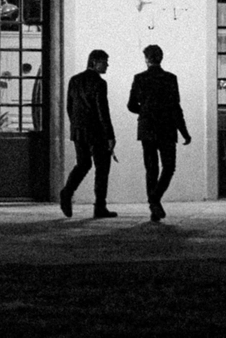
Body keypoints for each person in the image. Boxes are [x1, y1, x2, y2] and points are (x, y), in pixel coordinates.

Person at [127, 44, 191, 222]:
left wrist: (145, 111)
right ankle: (155, 200)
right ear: (161, 58)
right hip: (167, 127)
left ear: (146, 59)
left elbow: (131, 105)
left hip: (147, 128)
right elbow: (176, 108)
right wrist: (184, 132)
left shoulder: (139, 78)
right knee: (169, 167)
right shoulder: (170, 78)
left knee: (151, 168)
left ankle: (153, 203)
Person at [60, 49, 118, 219]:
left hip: (78, 131)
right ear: (94, 62)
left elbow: (69, 107)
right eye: (104, 61)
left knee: (83, 164)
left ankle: (67, 192)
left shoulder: (74, 80)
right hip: (97, 132)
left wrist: (76, 125)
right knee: (102, 169)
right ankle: (100, 206)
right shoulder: (100, 83)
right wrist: (110, 135)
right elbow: (102, 111)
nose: (107, 65)